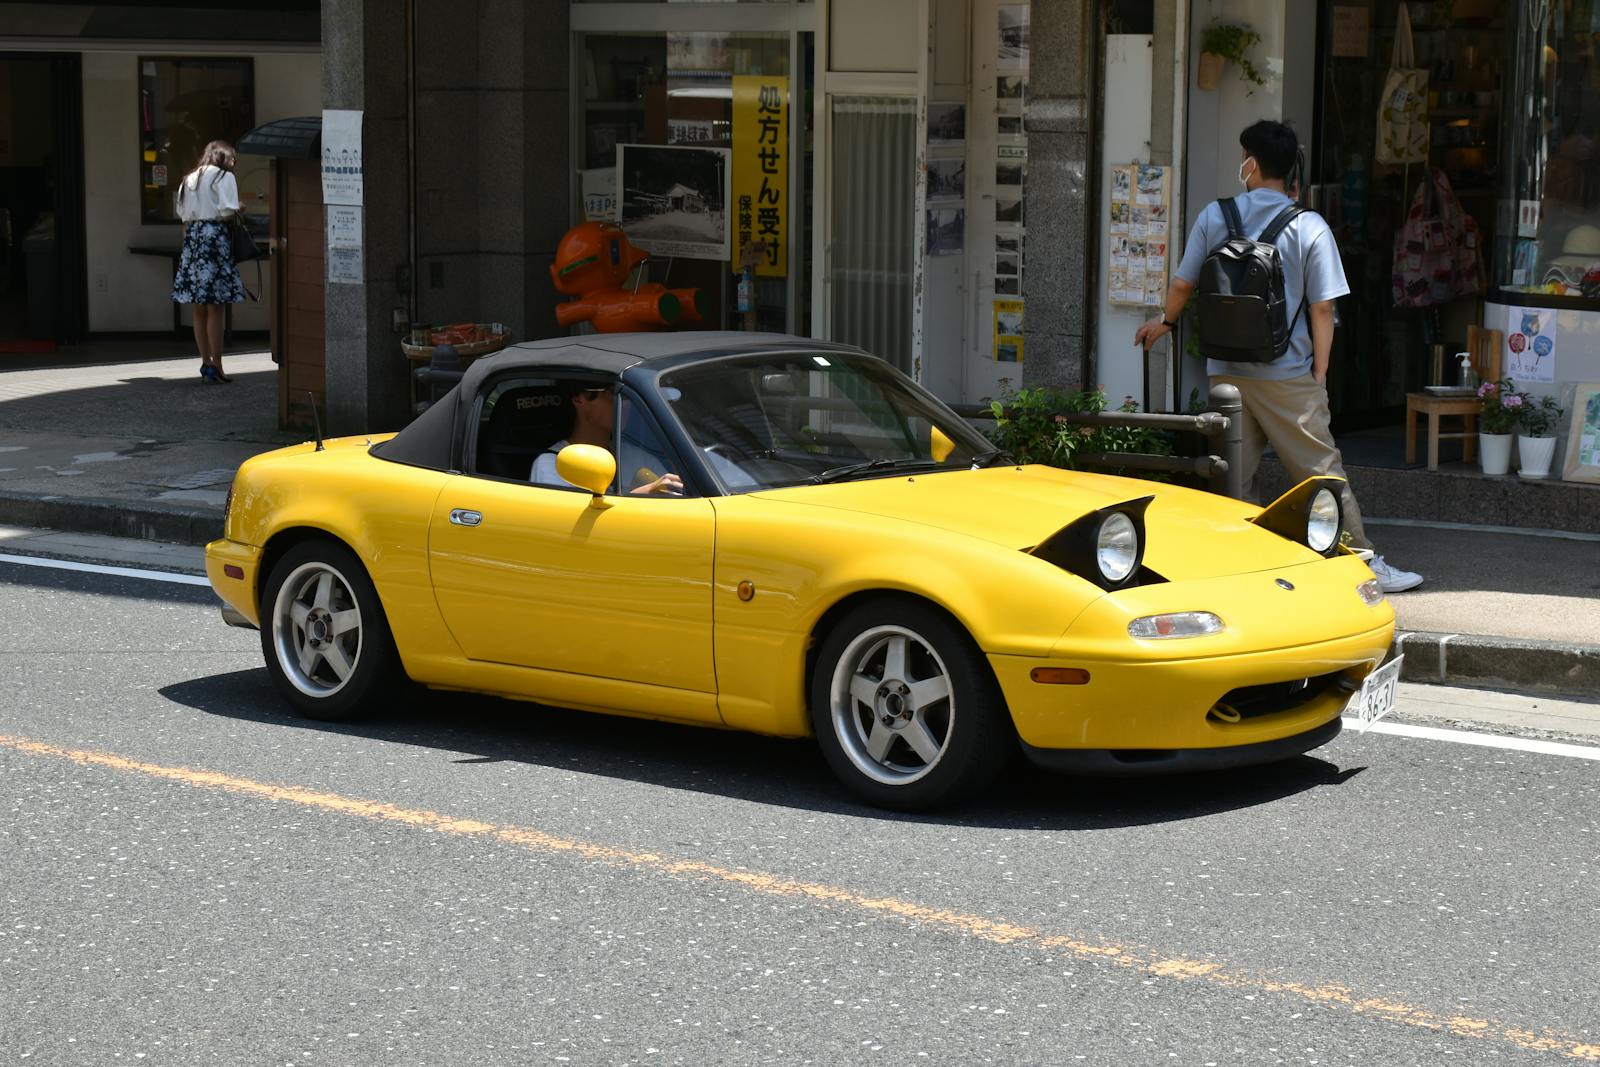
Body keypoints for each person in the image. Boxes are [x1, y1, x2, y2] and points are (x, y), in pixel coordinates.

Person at [1134, 119, 1423, 593]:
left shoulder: (1215, 216)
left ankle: (1235, 571)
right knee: (1320, 474)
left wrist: (1165, 323)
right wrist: (1321, 370)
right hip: (1287, 373)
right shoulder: (1308, 225)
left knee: (1234, 480)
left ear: (1250, 163)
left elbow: (1184, 283)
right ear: (1291, 170)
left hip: (1225, 372)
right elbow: (1324, 306)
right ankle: (1360, 562)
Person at [171, 140, 247, 384]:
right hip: (215, 239)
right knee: (216, 306)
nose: (234, 163)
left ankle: (205, 363)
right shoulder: (223, 177)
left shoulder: (190, 178)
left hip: (193, 239)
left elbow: (183, 215)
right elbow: (226, 213)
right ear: (223, 157)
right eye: (233, 158)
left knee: (198, 306)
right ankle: (218, 363)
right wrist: (239, 210)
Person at [530, 383, 684, 495]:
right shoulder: (552, 464)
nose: (626, 403)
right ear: (579, 399)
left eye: (626, 395)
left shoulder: (637, 455)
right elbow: (564, 523)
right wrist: (643, 493)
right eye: (613, 393)